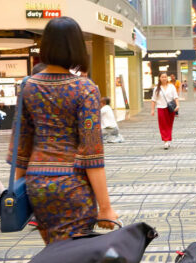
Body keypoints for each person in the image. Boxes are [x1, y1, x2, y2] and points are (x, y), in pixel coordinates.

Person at [13, 17, 118, 244]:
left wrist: (15, 194)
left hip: (38, 183)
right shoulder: (85, 89)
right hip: (73, 185)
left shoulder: (28, 87)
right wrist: (106, 208)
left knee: (53, 250)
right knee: (76, 255)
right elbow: (92, 153)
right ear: (77, 47)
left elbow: (21, 146)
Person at [151, 73, 179, 149]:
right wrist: (152, 110)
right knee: (163, 125)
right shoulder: (157, 88)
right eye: (162, 77)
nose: (164, 78)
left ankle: (168, 139)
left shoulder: (171, 87)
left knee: (169, 124)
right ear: (159, 78)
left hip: (170, 109)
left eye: (165, 77)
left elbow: (175, 97)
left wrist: (177, 105)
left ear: (167, 78)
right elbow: (153, 100)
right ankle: (165, 141)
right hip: (160, 108)